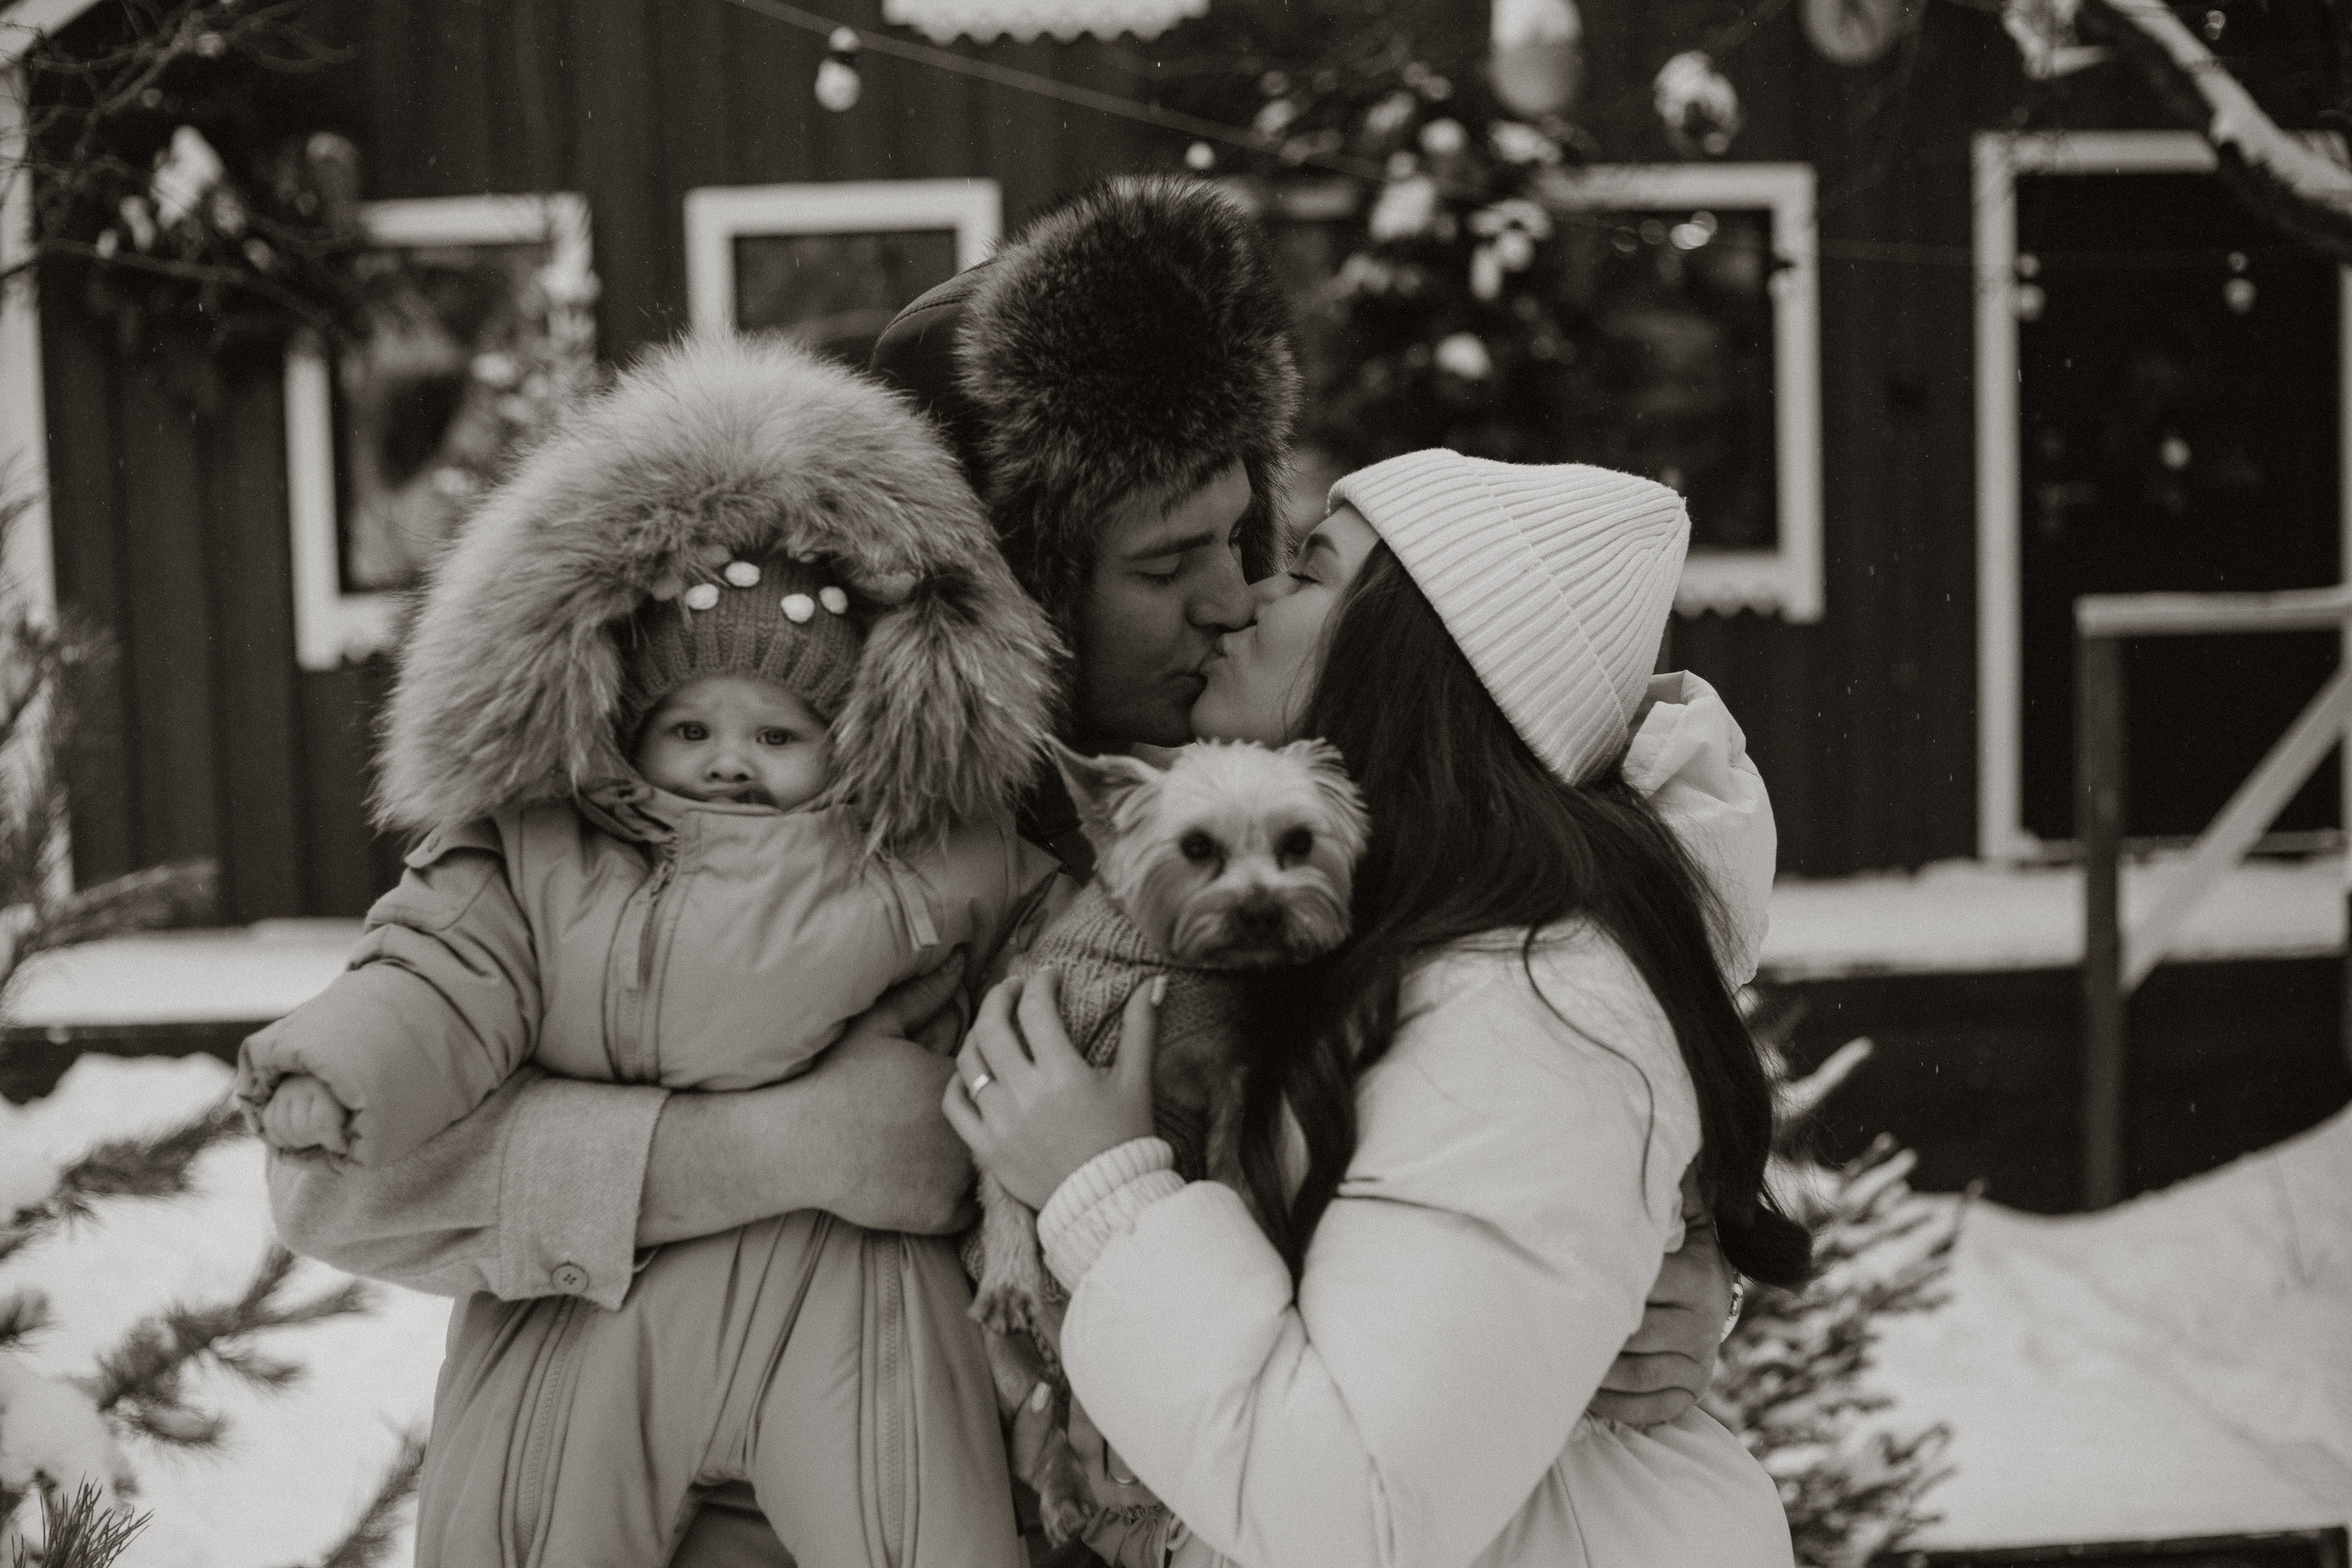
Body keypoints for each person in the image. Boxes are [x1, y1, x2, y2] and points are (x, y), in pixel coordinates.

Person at [266, 177, 1734, 1566]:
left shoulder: (1270, 816)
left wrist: (1623, 1278)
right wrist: (789, 1145)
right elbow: (343, 1173)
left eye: (1248, 536)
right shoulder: (740, 771)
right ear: (1025, 591)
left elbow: (1521, 1066)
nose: (1232, 598)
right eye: (1167, 567)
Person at [244, 334, 1059, 1567]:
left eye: (782, 729)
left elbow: (1055, 945)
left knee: (907, 1494)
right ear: (624, 724)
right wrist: (347, 1062)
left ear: (865, 733)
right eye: (688, 724)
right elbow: (432, 976)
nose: (729, 757)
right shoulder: (539, 849)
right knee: (545, 1493)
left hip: (852, 1293)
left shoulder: (931, 847)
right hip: (593, 1309)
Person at [946, 451, 1810, 1567]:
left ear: (1413, 660)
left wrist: (1097, 1192)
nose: (1245, 592)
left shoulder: (1524, 998)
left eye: (1305, 572)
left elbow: (1356, 1514)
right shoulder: (1379, 937)